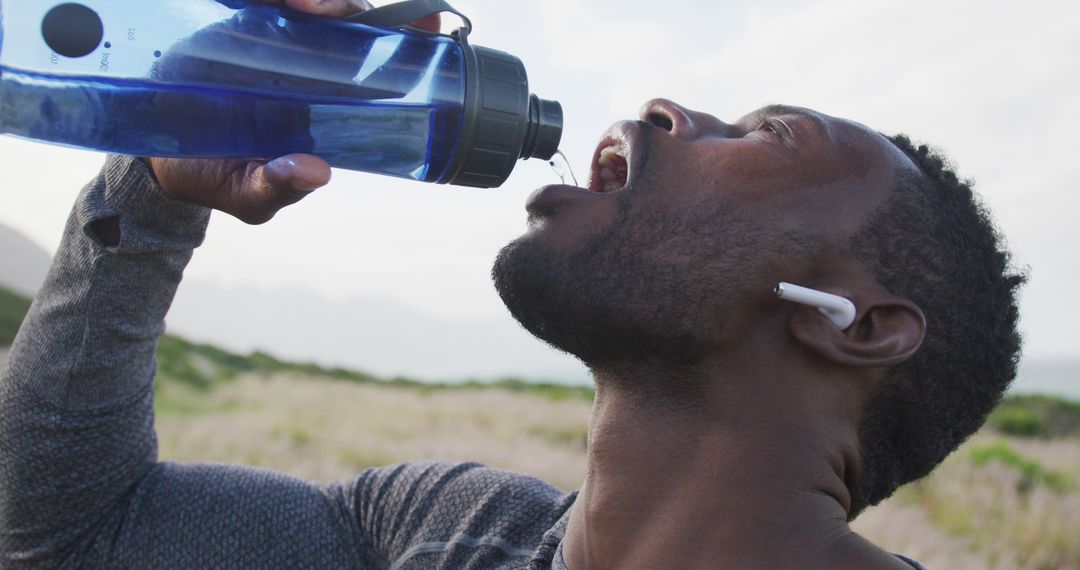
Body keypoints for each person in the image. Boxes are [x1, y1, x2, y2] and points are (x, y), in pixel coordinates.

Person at [0, 1, 1024, 568]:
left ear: (861, 327)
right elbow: (70, 529)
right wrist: (163, 163)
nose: (668, 107)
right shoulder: (438, 530)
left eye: (767, 135)